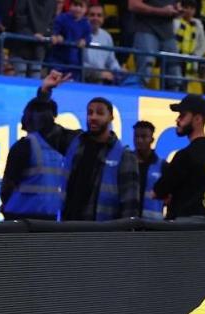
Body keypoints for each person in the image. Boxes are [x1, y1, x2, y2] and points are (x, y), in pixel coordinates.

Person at [36, 70, 139, 221]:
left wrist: (125, 238)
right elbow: (45, 126)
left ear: (111, 117)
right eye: (90, 113)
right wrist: (45, 91)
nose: (93, 117)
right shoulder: (75, 142)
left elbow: (130, 204)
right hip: (69, 228)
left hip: (103, 236)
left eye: (99, 113)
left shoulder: (124, 155)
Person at [152, 94, 205, 220]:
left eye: (182, 115)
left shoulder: (186, 155)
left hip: (184, 230)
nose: (177, 120)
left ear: (197, 119)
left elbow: (158, 191)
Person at [1, 98, 67, 221]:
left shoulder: (23, 146)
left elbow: (7, 186)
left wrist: (5, 205)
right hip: (49, 215)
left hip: (20, 216)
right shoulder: (60, 149)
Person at [128, 0, 182, 90]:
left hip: (168, 32)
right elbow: (133, 5)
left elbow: (177, 5)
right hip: (146, 28)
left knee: (174, 69)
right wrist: (161, 11)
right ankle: (138, 95)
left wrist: (177, 9)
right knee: (146, 64)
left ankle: (175, 98)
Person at [49, 0, 92, 79]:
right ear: (70, 6)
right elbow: (54, 30)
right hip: (58, 60)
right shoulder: (61, 18)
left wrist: (84, 40)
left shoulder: (86, 24)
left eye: (81, 6)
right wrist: (56, 36)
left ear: (86, 9)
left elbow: (88, 37)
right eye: (75, 5)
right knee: (54, 83)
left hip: (75, 63)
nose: (78, 8)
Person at [84, 4, 125, 84]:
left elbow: (111, 61)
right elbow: (78, 63)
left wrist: (118, 70)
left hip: (101, 82)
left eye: (99, 15)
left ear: (103, 18)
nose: (95, 18)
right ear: (86, 17)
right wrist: (98, 74)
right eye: (92, 15)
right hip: (82, 80)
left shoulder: (106, 36)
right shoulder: (79, 34)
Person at [134, 120, 166, 220]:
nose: (139, 140)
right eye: (136, 136)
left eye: (143, 137)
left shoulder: (163, 166)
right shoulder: (126, 163)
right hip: (129, 225)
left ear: (152, 139)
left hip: (153, 227)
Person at [174, 0, 205, 92]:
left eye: (191, 8)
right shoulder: (175, 22)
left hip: (190, 60)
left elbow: (203, 43)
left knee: (187, 85)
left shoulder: (198, 25)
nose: (189, 11)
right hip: (176, 58)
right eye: (186, 7)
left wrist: (196, 55)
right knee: (174, 82)